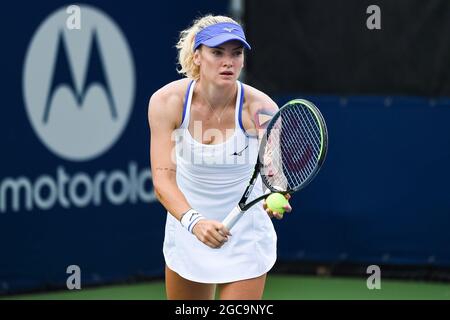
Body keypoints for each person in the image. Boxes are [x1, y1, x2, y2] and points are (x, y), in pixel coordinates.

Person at [148, 14, 292, 300]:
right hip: (187, 229)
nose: (228, 62)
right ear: (197, 56)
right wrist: (195, 222)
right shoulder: (167, 103)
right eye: (217, 52)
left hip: (245, 239)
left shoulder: (262, 109)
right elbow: (163, 180)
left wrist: (276, 195)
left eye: (236, 53)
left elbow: (275, 175)